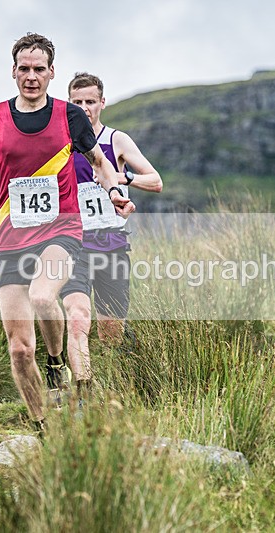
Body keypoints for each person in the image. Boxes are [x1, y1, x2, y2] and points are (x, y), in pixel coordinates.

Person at [0, 35, 134, 431]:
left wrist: (114, 192)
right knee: (20, 349)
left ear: (51, 73)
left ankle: (57, 362)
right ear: (13, 71)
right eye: (24, 69)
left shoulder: (69, 116)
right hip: (10, 240)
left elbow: (99, 162)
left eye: (39, 69)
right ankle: (44, 428)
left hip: (61, 231)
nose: (31, 76)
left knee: (43, 296)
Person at [60, 72, 162, 400]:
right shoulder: (60, 143)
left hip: (111, 245)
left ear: (102, 103)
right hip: (72, 245)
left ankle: (119, 387)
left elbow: (156, 181)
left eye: (90, 101)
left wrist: (121, 177)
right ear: (68, 103)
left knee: (111, 331)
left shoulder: (116, 140)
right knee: (77, 318)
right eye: (77, 102)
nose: (84, 108)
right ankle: (83, 396)